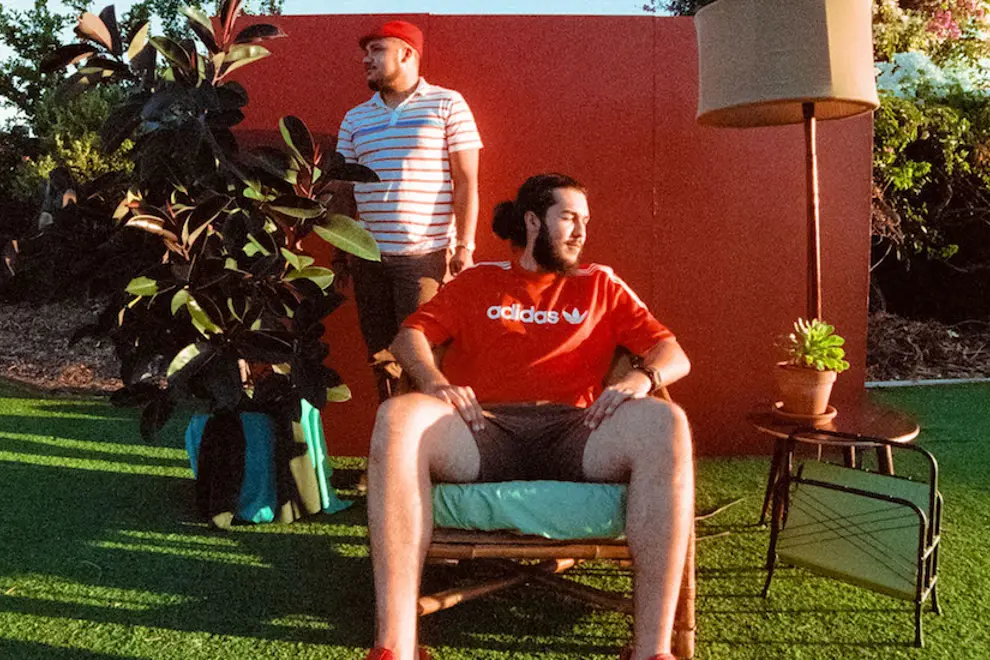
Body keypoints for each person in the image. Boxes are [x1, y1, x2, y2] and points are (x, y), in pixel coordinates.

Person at [363, 174, 694, 660]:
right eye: (569, 218)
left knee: (667, 423)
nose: (581, 231)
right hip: (482, 429)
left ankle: (652, 651)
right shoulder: (478, 281)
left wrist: (642, 378)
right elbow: (408, 337)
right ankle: (395, 648)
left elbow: (674, 354)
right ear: (534, 221)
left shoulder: (601, 284)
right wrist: (434, 383)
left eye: (585, 220)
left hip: (576, 431)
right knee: (397, 417)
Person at [334, 20, 483, 402]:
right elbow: (344, 188)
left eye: (376, 50)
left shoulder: (447, 104)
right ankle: (392, 433)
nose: (366, 59)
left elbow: (466, 180)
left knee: (422, 359)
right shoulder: (354, 118)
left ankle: (424, 438)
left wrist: (464, 246)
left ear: (406, 54)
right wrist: (339, 254)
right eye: (366, 52)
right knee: (382, 360)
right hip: (367, 259)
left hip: (424, 259)